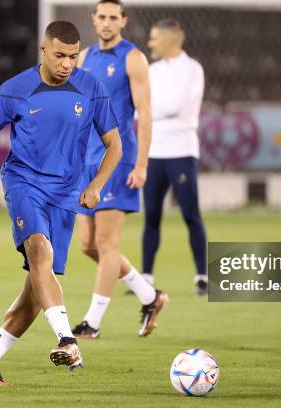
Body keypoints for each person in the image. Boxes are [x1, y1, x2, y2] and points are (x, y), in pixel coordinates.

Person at [0, 21, 122, 386]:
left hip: (66, 195)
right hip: (24, 183)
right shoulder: (16, 89)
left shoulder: (90, 87)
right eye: (60, 55)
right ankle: (67, 340)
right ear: (43, 52)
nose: (67, 64)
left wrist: (96, 185)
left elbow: (115, 145)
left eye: (73, 56)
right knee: (39, 251)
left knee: (35, 292)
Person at [71, 0, 168, 340]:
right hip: (87, 161)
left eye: (114, 17)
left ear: (123, 21)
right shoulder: (83, 57)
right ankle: (150, 296)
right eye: (102, 17)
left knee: (107, 243)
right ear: (94, 20)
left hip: (118, 159)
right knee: (87, 244)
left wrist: (142, 163)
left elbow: (145, 113)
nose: (108, 22)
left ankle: (91, 323)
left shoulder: (133, 58)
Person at [143, 19, 208, 295]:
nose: (150, 43)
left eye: (155, 38)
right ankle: (145, 277)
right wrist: (148, 109)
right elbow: (138, 109)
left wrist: (149, 108)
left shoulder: (192, 69)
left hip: (181, 151)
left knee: (191, 215)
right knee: (152, 215)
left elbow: (173, 106)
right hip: (153, 150)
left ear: (171, 40)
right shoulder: (151, 69)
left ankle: (202, 276)